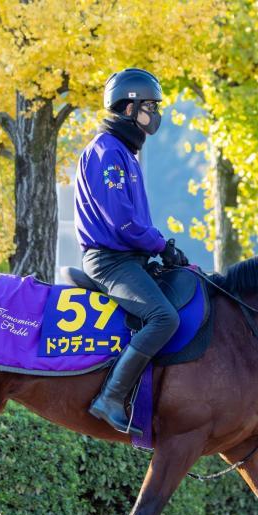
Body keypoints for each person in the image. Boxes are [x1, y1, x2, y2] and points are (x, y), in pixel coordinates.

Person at [74, 67, 190, 437]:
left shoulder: (123, 151)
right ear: (129, 108)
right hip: (110, 262)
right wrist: (161, 245)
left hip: (129, 258)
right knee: (163, 318)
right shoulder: (108, 153)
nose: (155, 114)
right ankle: (111, 397)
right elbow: (123, 221)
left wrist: (161, 249)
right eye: (150, 106)